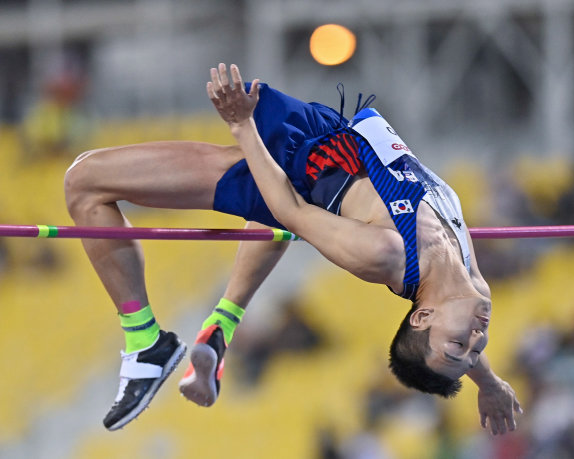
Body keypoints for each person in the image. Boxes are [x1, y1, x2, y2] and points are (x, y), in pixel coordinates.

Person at [64, 63, 522, 434]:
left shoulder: (385, 254)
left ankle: (146, 343)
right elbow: (458, 345)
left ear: (423, 316)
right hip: (330, 133)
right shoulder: (469, 280)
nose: (478, 338)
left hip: (293, 168)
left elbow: (290, 212)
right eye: (474, 347)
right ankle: (221, 324)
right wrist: (490, 382)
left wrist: (243, 126)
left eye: (461, 343)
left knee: (83, 182)